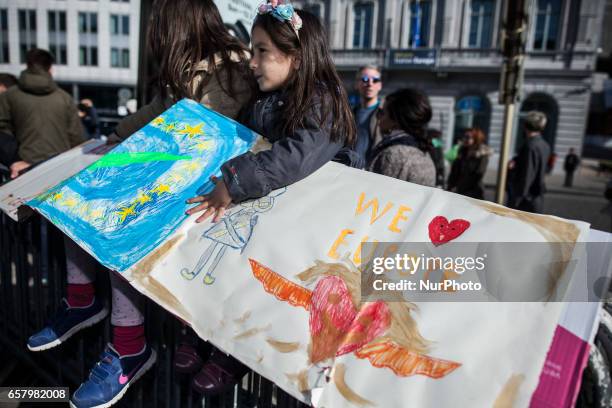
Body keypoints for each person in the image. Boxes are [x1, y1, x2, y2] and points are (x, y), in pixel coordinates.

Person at [26, 1, 253, 407]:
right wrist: (119, 134)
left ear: (178, 28)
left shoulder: (227, 68)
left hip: (207, 186)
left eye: (160, 29)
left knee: (118, 223)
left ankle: (128, 344)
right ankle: (83, 302)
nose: (155, 39)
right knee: (78, 195)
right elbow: (164, 111)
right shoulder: (196, 66)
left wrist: (135, 156)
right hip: (189, 177)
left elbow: (203, 131)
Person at [184, 2, 357, 393]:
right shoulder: (263, 100)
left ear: (296, 57)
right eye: (252, 49)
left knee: (261, 283)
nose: (251, 61)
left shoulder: (322, 101)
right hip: (268, 214)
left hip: (310, 228)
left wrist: (234, 181)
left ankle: (233, 353)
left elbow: (295, 156)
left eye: (262, 50)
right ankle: (206, 333)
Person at [0, 49, 83, 178]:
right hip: (59, 165)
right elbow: (76, 136)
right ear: (50, 68)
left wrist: (13, 159)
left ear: (27, 65)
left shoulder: (9, 96)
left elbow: (2, 131)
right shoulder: (64, 97)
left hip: (23, 166)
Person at [366, 88, 436, 187]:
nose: (379, 117)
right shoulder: (423, 151)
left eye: (382, 113)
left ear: (395, 119)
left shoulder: (392, 154)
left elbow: (379, 196)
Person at [508, 111, 551, 213]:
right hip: (537, 197)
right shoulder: (545, 145)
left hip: (526, 200)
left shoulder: (530, 146)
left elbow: (527, 174)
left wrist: (516, 200)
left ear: (525, 125)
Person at [447, 128, 492, 199]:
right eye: (464, 136)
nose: (465, 139)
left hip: (473, 192)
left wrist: (460, 188)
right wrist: (450, 187)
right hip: (457, 191)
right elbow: (454, 171)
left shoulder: (482, 154)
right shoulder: (462, 152)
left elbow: (478, 174)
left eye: (468, 137)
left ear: (476, 138)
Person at [353, 65, 383, 168]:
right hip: (349, 172)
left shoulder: (386, 114)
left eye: (375, 80)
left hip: (373, 175)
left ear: (380, 85)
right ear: (357, 84)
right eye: (365, 79)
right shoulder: (349, 114)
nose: (370, 84)